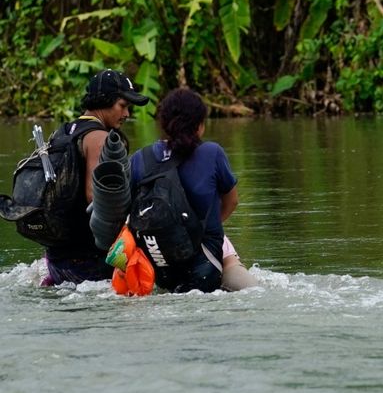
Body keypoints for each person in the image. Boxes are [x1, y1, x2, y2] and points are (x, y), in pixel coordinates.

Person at [128, 88, 256, 292]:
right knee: (249, 285)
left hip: (161, 271)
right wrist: (199, 229)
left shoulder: (140, 159)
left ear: (163, 123)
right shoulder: (212, 153)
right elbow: (232, 202)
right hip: (206, 268)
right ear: (200, 125)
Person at [43, 70, 149, 284]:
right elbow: (96, 197)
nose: (127, 114)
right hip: (86, 259)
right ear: (104, 101)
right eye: (123, 105)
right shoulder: (99, 137)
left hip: (56, 255)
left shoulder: (64, 131)